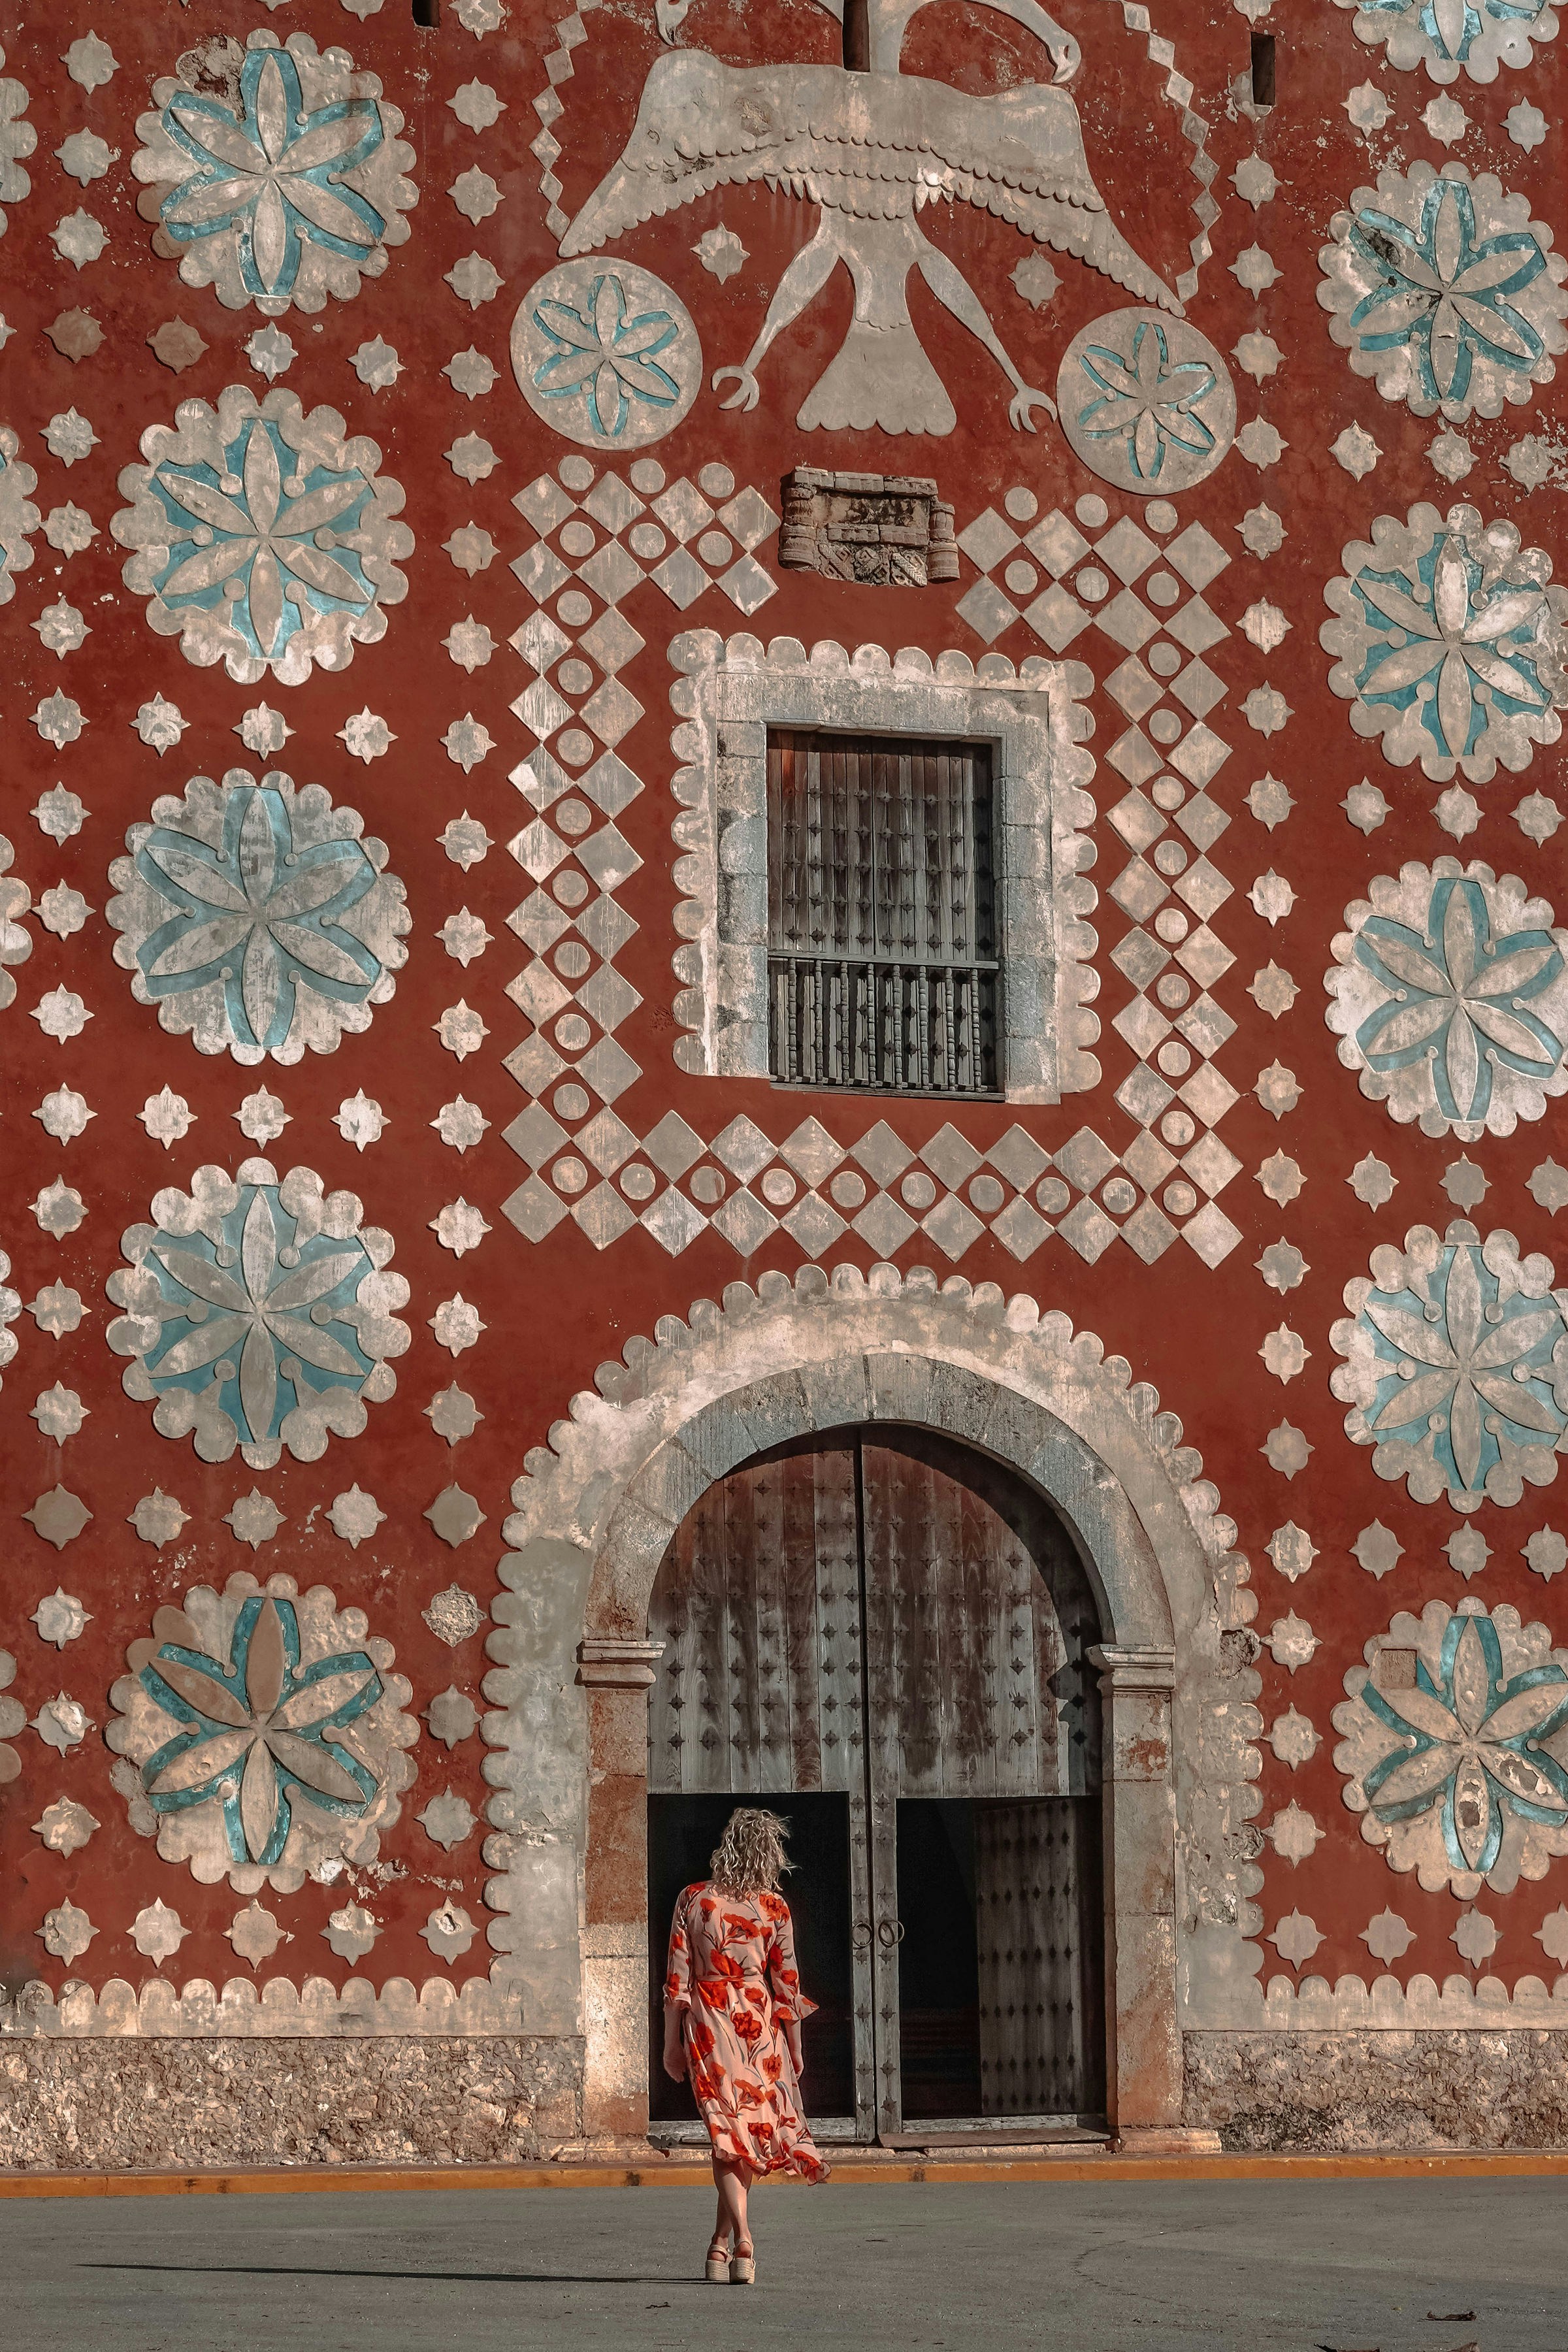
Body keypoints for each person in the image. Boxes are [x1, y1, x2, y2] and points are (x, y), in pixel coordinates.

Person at [662, 1806, 830, 2283]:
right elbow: (788, 1985)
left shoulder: (693, 1900)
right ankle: (742, 2239)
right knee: (738, 2135)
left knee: (728, 2136)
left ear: (726, 1847)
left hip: (709, 2025)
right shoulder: (773, 1908)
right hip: (759, 2029)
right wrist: (795, 2048)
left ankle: (727, 2245)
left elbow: (678, 1981)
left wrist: (670, 2046)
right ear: (771, 1854)